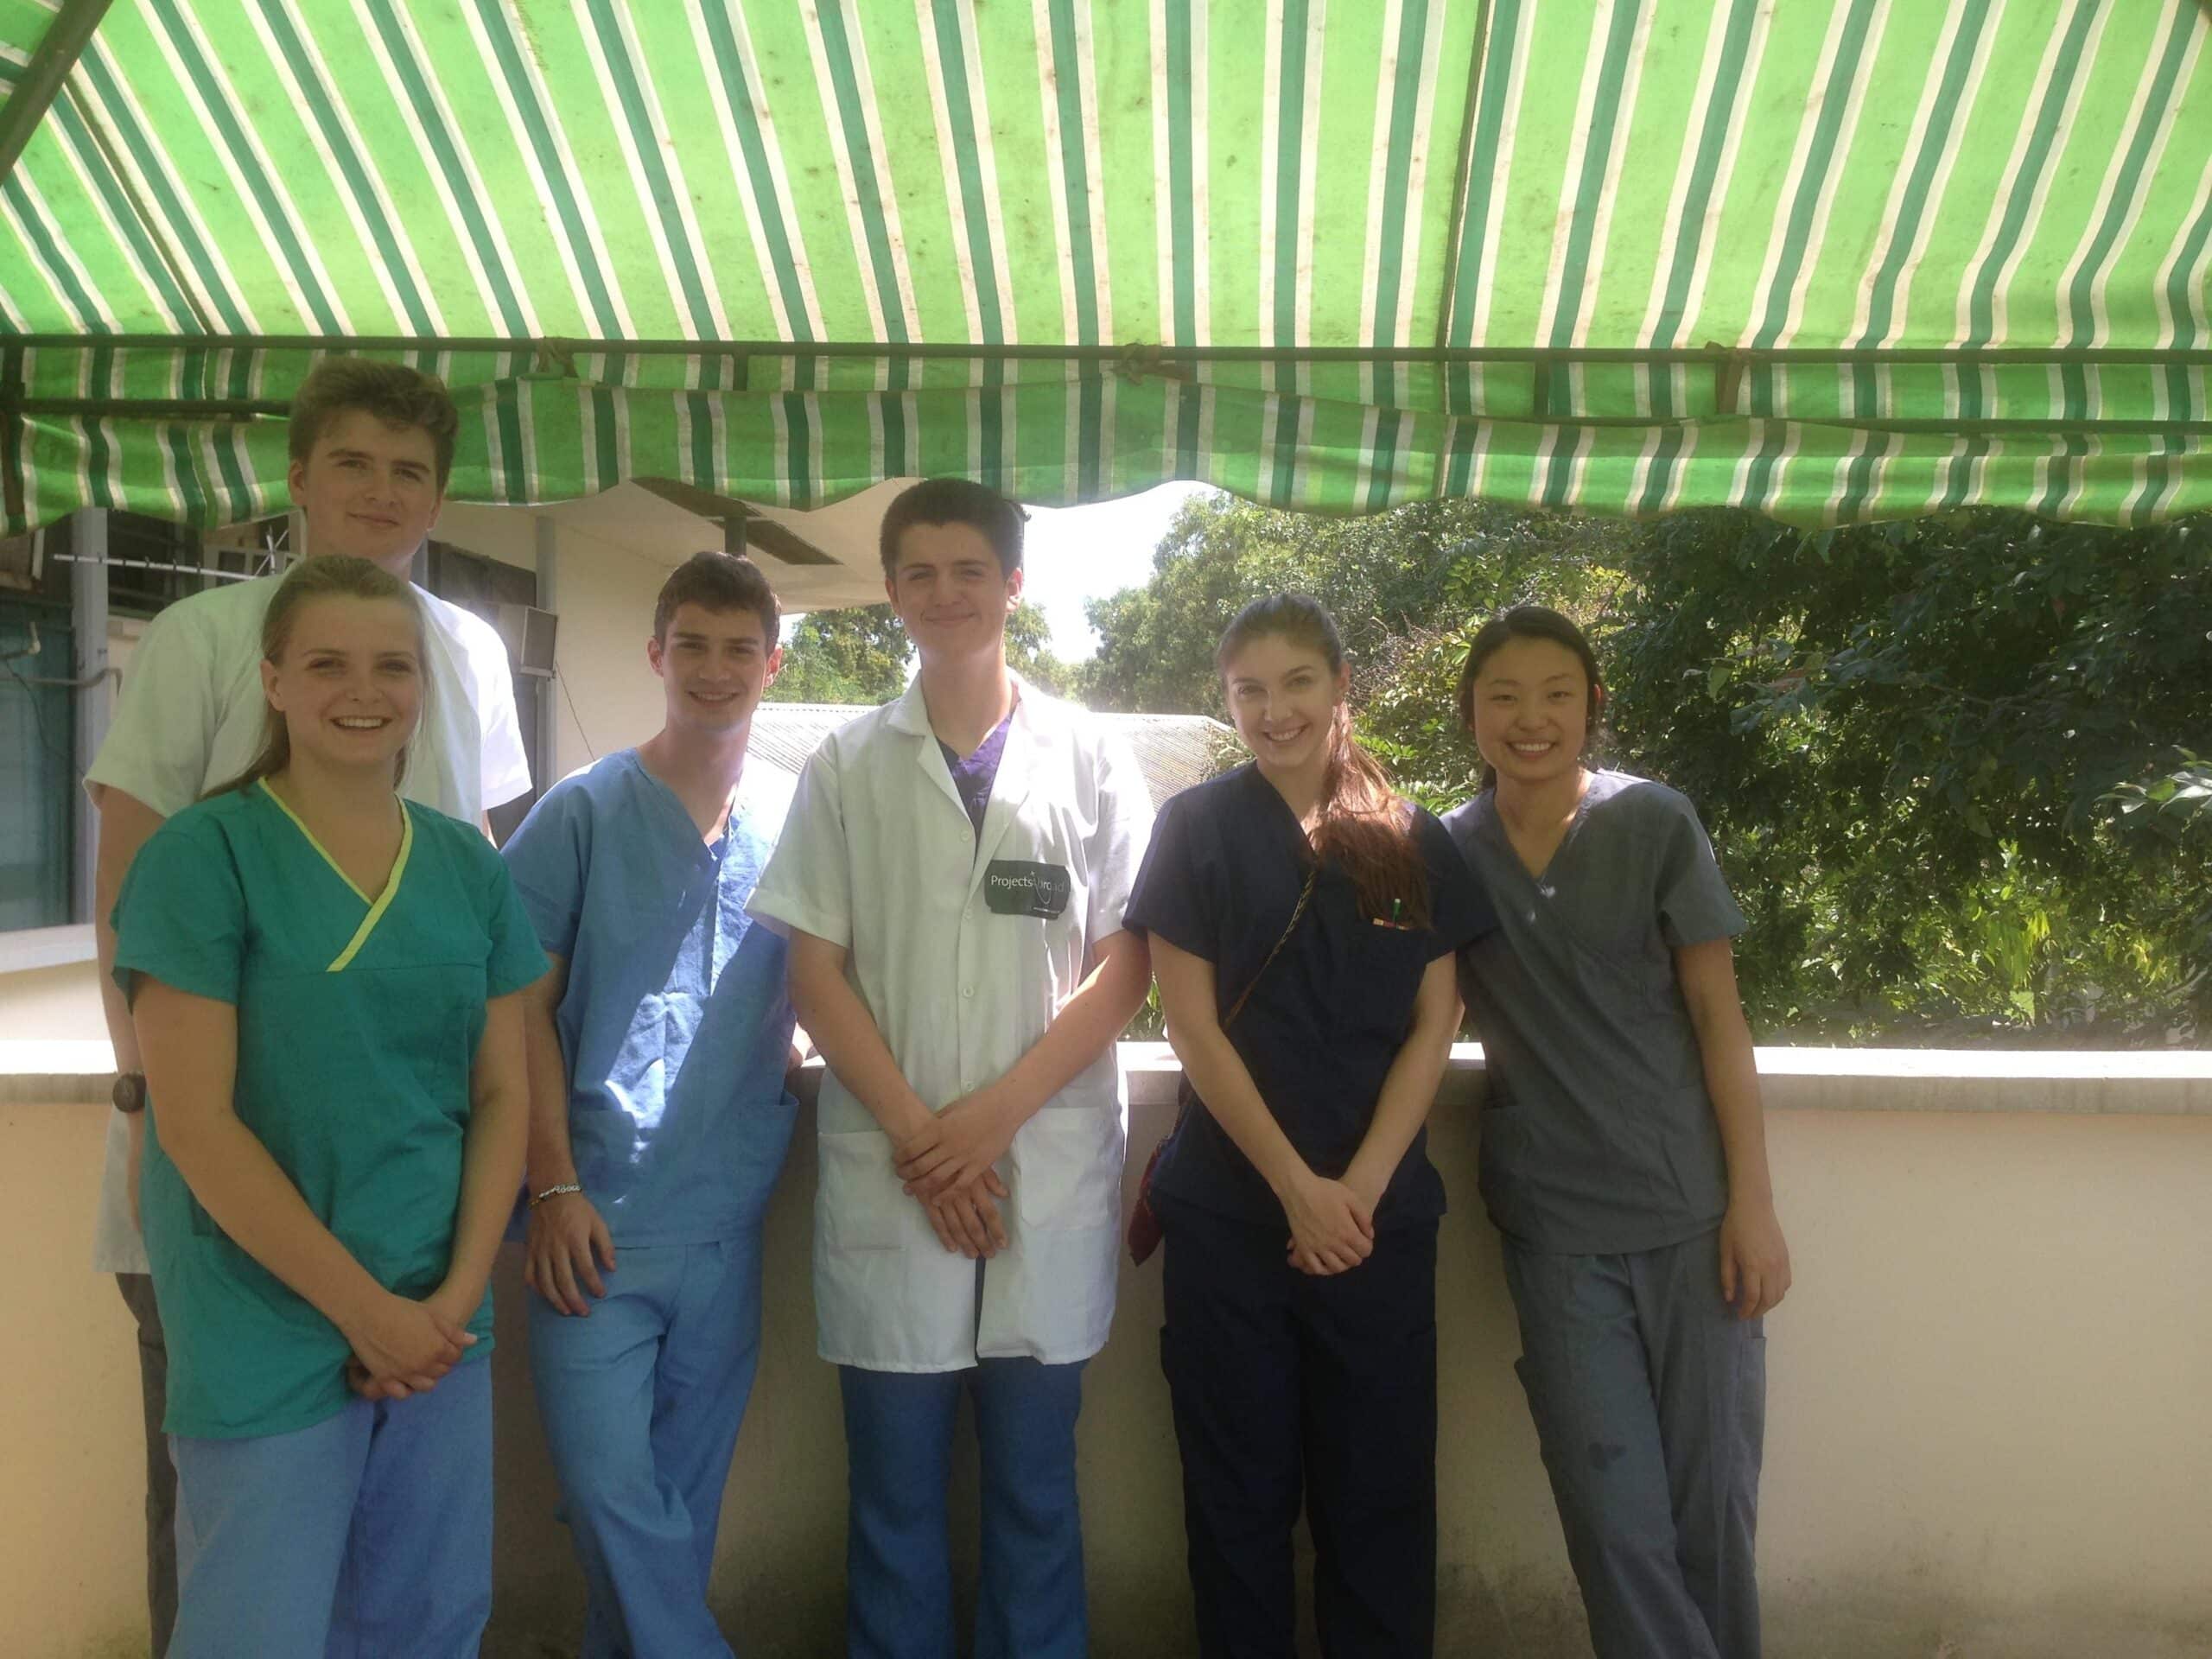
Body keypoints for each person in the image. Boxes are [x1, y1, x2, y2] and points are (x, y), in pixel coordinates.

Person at [84, 355, 530, 1656]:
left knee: (423, 1612)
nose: (364, 689)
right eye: (354, 462)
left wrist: (445, 1298)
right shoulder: (205, 744)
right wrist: (141, 1100)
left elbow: (497, 1057)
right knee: (250, 1604)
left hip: (429, 1267)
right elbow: (130, 907)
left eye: (410, 471)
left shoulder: (468, 698)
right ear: (274, 677)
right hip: (250, 1244)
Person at [747, 477, 1154, 1659]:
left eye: (969, 570)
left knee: (1035, 1493)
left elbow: (1127, 965)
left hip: (1040, 1168)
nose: (944, 593)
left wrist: (990, 1124)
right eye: (918, 573)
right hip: (897, 1172)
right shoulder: (846, 764)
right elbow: (815, 973)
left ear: (1012, 585)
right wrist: (931, 1145)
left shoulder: (1092, 756)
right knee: (894, 1502)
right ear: (890, 592)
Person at [1118, 593, 1493, 1658]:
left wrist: (1357, 1191)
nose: (1274, 710)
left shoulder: (1408, 836)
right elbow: (1189, 1026)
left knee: (1380, 1496)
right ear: (1226, 698)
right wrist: (1296, 1189)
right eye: (1250, 690)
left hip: (1377, 1227)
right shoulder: (1195, 829)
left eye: (1297, 682)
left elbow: (1435, 1022)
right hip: (1230, 1219)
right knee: (1234, 1497)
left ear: (1339, 687)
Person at [1439, 605, 1791, 1659]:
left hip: (1691, 1216)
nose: (1530, 718)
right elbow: (1421, 1021)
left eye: (1556, 694)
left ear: (1592, 704)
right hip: (1556, 1230)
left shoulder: (1653, 823)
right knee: (1612, 1523)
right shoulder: (1447, 851)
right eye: (1503, 696)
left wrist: (1753, 1206)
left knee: (1711, 1511)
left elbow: (1719, 1019)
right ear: (1470, 712)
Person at [500, 551, 800, 1656]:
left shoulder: (797, 820)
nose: (715, 670)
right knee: (613, 1497)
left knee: (679, 1511)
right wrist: (552, 1186)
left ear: (773, 664)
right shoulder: (582, 811)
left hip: (725, 1221)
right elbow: (514, 1008)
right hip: (590, 1225)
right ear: (656, 654)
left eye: (738, 650)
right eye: (693, 646)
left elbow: (829, 980)